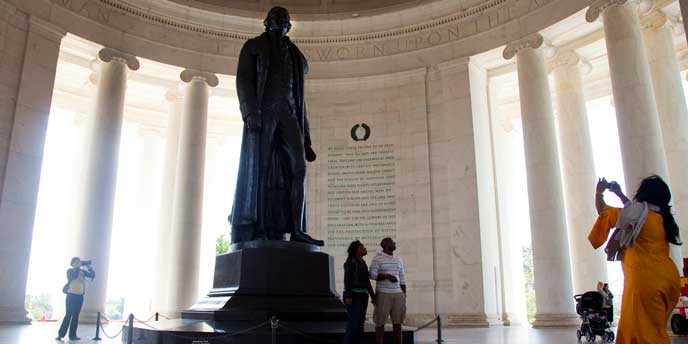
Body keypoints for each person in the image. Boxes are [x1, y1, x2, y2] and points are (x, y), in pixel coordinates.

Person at [230, 6, 323, 246]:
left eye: (284, 19)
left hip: (289, 113)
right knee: (259, 170)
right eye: (276, 18)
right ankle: (259, 227)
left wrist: (307, 141)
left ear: (289, 26)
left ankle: (297, 229)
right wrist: (250, 111)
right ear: (266, 22)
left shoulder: (294, 54)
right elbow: (244, 80)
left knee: (299, 170)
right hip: (264, 113)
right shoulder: (253, 47)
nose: (280, 21)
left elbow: (300, 99)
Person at [588, 176, 681, 343]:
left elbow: (606, 213)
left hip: (645, 283)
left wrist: (599, 193)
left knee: (641, 334)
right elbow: (634, 213)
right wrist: (620, 194)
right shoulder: (662, 218)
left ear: (643, 193)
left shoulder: (638, 214)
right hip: (668, 282)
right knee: (654, 330)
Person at [369, 238, 406, 344]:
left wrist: (404, 294)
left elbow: (402, 277)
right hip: (383, 294)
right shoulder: (377, 258)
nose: (394, 243)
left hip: (398, 294)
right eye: (392, 242)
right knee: (380, 323)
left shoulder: (398, 258)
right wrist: (386, 276)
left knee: (398, 323)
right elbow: (372, 275)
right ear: (385, 245)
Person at [342, 240, 376, 344]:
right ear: (356, 250)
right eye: (362, 247)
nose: (365, 248)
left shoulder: (363, 263)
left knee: (360, 325)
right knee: (353, 324)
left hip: (363, 295)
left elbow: (367, 281)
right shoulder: (350, 262)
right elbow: (347, 279)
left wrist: (373, 296)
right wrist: (348, 296)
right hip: (353, 296)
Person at [56, 257, 95, 341]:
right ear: (72, 263)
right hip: (71, 296)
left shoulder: (83, 272)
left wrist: (90, 269)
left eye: (79, 262)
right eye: (76, 262)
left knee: (76, 316)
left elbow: (92, 276)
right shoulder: (70, 271)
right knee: (68, 315)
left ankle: (73, 335)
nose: (78, 263)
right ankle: (60, 335)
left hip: (79, 296)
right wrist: (78, 268)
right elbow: (73, 277)